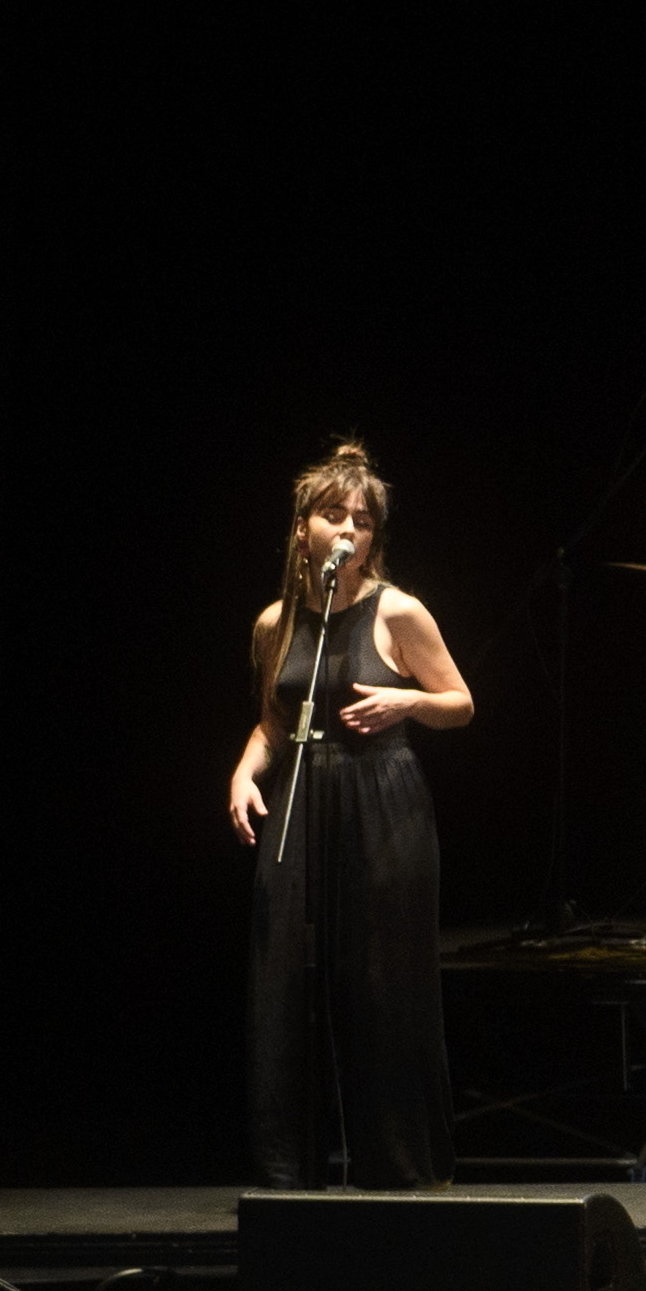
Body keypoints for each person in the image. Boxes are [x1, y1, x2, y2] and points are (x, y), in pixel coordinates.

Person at [225, 442, 474, 1190]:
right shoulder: (277, 621)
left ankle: (398, 1170)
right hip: (303, 800)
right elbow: (275, 721)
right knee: (285, 986)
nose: (347, 531)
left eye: (360, 521)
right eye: (333, 516)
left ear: (374, 537)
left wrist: (407, 699)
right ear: (302, 529)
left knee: (381, 985)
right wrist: (242, 773)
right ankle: (287, 1174)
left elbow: (461, 702)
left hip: (381, 799)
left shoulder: (397, 610)